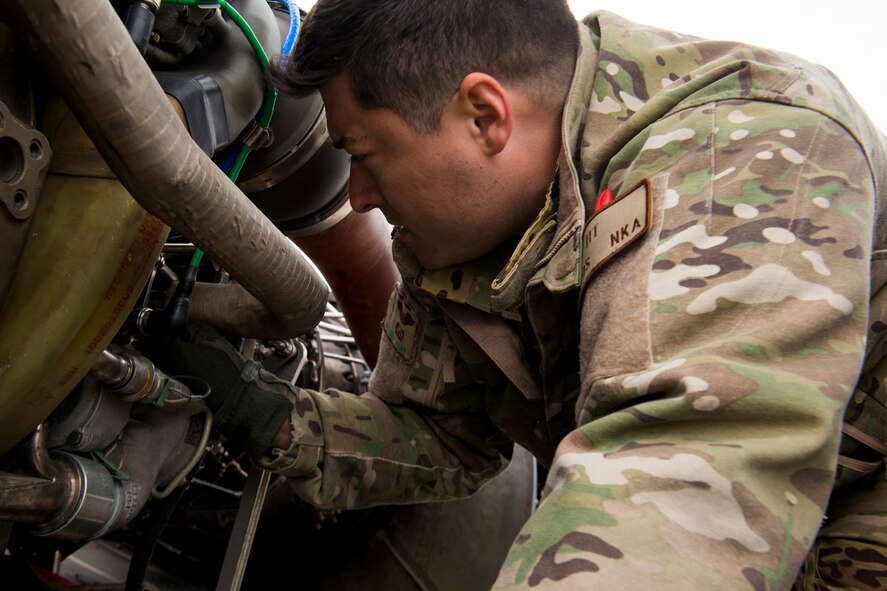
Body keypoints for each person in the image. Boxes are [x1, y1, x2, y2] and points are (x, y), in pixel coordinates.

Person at [170, 0, 887, 588]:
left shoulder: (747, 139)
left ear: (484, 114)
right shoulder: (455, 240)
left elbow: (686, 467)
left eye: (364, 156)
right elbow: (447, 440)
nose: (357, 198)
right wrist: (267, 414)